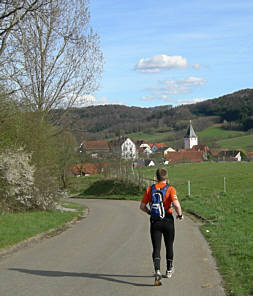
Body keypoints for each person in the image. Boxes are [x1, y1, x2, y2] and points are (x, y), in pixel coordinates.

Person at [140, 167, 183, 279]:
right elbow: (177, 205)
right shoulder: (170, 189)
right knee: (169, 246)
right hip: (168, 220)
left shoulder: (150, 189)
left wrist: (150, 212)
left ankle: (157, 270)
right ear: (166, 177)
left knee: (156, 247)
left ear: (156, 177)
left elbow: (142, 206)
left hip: (155, 221)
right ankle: (169, 270)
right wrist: (180, 215)